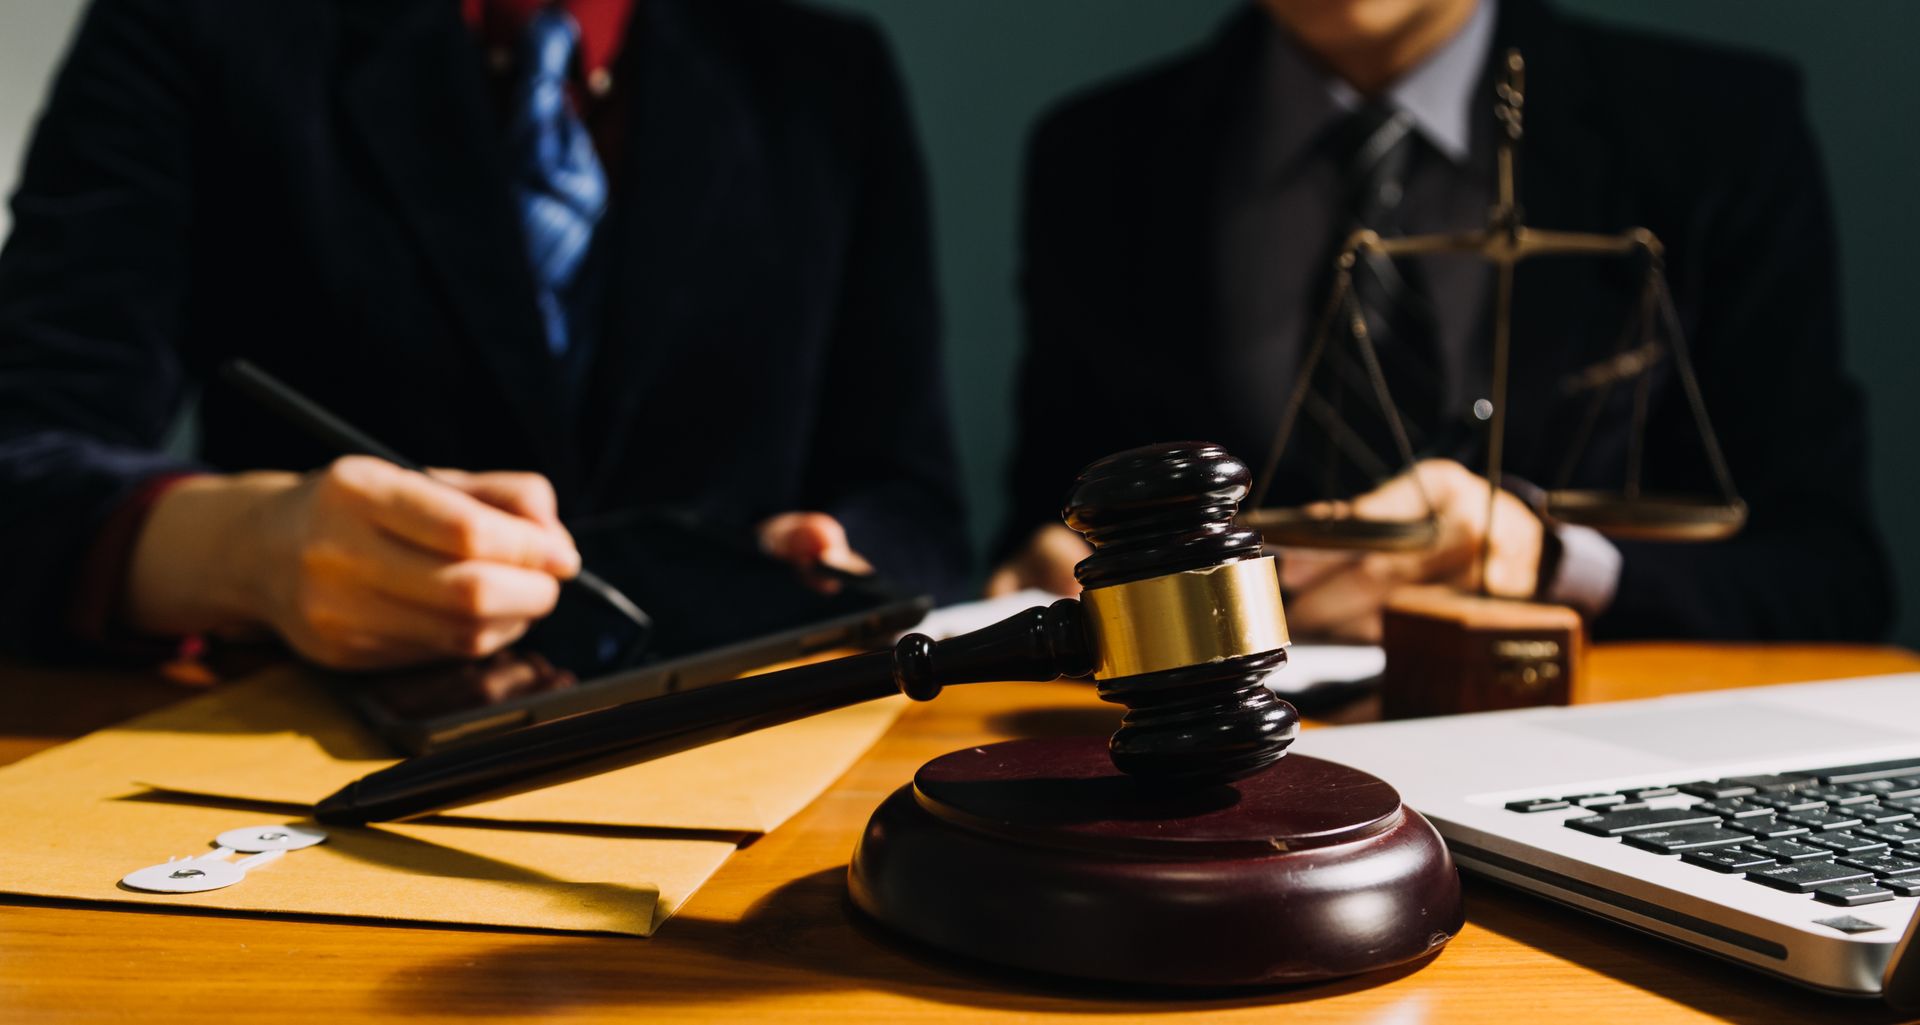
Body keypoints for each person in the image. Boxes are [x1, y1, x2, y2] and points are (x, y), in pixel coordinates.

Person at [0, 0, 968, 668]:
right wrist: (251, 552)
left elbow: (913, 500)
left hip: (747, 744)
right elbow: (24, 458)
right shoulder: (194, 30)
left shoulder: (826, 78)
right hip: (303, 754)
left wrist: (827, 562)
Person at [990, 0, 1892, 643]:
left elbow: (1833, 579)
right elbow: (1049, 516)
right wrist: (1050, 566)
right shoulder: (1098, 160)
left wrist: (1549, 561)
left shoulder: (1717, 133)